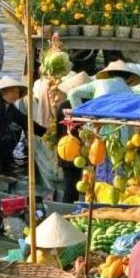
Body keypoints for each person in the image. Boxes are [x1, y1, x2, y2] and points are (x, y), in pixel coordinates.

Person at [35, 72, 92, 202]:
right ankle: (70, 210)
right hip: (80, 152)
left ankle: (68, 210)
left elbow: (59, 132)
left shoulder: (65, 105)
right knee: (78, 185)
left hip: (67, 152)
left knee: (70, 186)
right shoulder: (86, 106)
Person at [0, 76, 46, 175]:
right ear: (3, 92)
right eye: (12, 91)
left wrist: (45, 133)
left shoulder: (9, 107)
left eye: (17, 92)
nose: (15, 95)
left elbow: (24, 121)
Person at [66, 60, 140, 108]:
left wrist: (80, 116)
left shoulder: (99, 83)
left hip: (98, 123)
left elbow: (72, 93)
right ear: (129, 78)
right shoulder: (131, 92)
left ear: (107, 74)